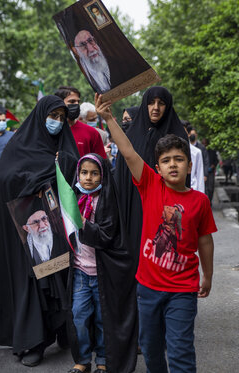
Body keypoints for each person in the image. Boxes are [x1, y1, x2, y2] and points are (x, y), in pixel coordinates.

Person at [96, 94, 216, 373]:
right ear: (158, 168)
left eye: (179, 159)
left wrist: (207, 275)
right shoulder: (149, 185)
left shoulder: (200, 202)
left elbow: (205, 240)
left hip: (182, 290)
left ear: (189, 164)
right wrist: (108, 118)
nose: (173, 164)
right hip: (148, 288)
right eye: (166, 161)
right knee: (150, 349)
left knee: (181, 351)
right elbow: (127, 152)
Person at [0, 95, 78, 367]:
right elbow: (5, 178)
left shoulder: (64, 148)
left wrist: (60, 162)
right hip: (27, 233)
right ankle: (36, 340)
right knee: (34, 283)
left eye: (62, 118)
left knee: (60, 276)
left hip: (57, 230)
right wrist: (35, 180)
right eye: (53, 116)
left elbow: (78, 174)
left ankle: (64, 329)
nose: (57, 122)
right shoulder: (19, 145)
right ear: (40, 116)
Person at [67, 153, 137, 373]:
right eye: (84, 172)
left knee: (101, 319)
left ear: (103, 175)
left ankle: (103, 360)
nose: (88, 178)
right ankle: (82, 359)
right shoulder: (72, 198)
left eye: (94, 173)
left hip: (101, 272)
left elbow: (107, 235)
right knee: (79, 315)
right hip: (79, 271)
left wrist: (83, 221)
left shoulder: (108, 198)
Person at [113, 86, 189, 269]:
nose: (155, 107)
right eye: (151, 103)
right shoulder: (133, 135)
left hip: (165, 208)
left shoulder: (177, 138)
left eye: (161, 103)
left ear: (167, 106)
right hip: (133, 206)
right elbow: (124, 167)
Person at [55, 86, 106, 158]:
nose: (76, 104)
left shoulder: (92, 133)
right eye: (72, 101)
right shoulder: (51, 131)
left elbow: (102, 163)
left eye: (78, 101)